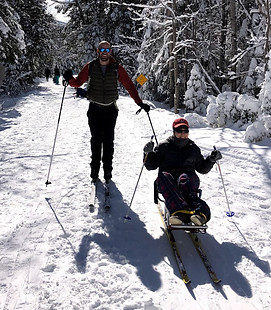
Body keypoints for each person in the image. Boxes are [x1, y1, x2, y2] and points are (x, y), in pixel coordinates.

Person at [63, 40, 150, 182]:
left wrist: (140, 103)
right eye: (102, 50)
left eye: (107, 50)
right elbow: (78, 82)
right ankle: (94, 168)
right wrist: (69, 79)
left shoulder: (117, 68)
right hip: (94, 109)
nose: (105, 53)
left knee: (109, 141)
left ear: (110, 52)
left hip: (110, 109)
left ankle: (107, 169)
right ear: (98, 52)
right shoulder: (90, 67)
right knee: (96, 140)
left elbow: (129, 86)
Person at [143, 117, 222, 226]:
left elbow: (202, 168)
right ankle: (180, 213)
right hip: (167, 179)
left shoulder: (193, 148)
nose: (182, 134)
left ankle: (201, 214)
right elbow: (151, 166)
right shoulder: (164, 146)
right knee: (164, 176)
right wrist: (148, 154)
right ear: (174, 131)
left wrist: (211, 160)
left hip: (187, 178)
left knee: (185, 178)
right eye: (179, 131)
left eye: (185, 131)